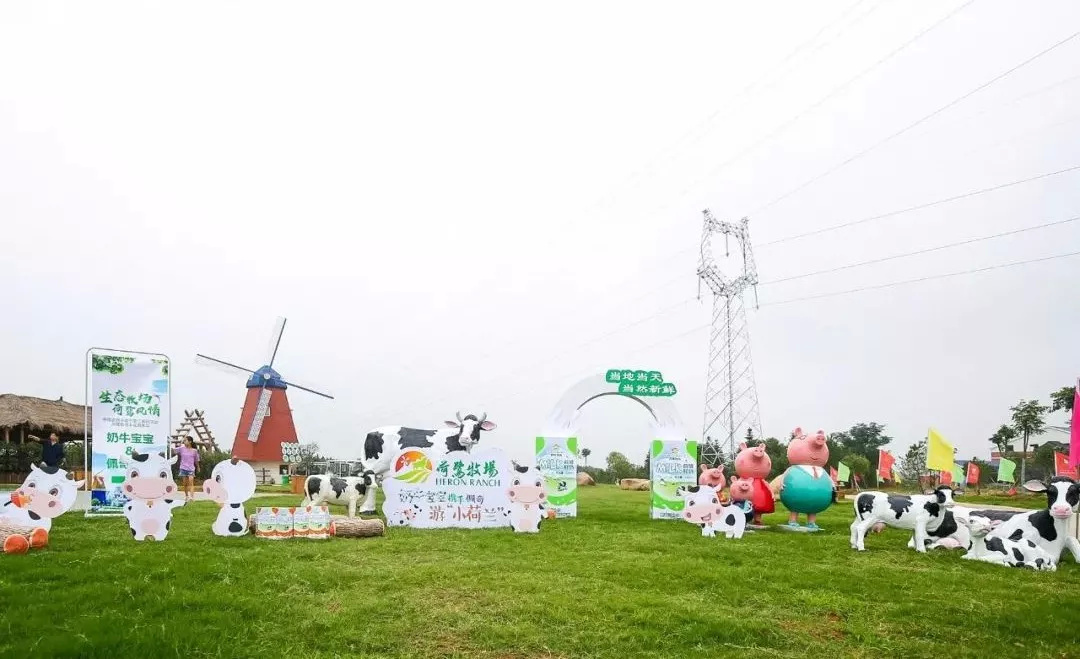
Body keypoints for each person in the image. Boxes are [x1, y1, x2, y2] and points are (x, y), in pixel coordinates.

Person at [174, 436, 200, 501]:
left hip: (191, 469)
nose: (184, 442)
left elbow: (196, 460)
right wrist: (178, 446)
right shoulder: (181, 448)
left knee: (191, 482)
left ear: (190, 442)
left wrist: (198, 467)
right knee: (185, 484)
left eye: (185, 440)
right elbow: (174, 451)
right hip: (183, 468)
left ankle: (192, 497)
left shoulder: (194, 451)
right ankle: (186, 496)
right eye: (184, 441)